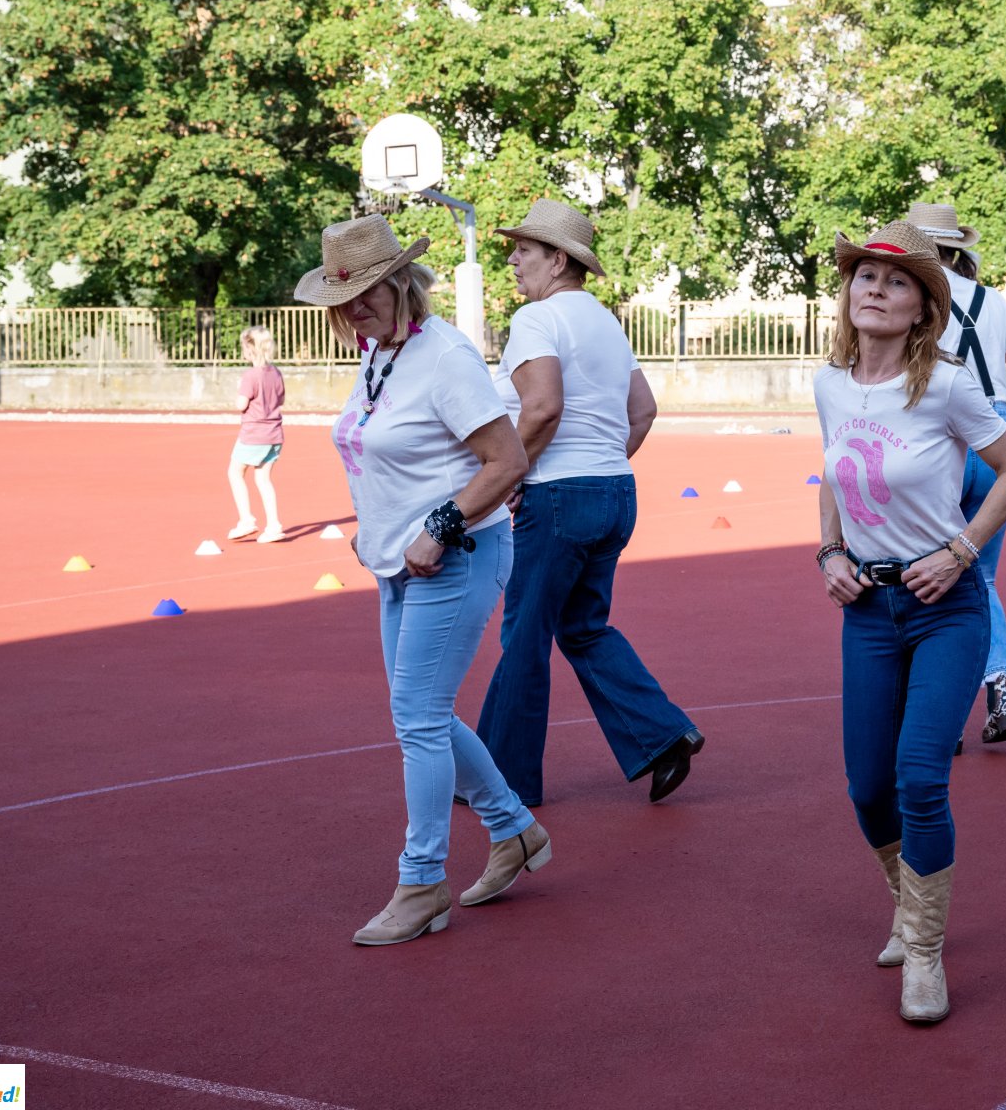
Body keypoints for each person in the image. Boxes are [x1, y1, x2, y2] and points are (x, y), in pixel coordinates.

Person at [297, 215, 546, 947]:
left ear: (405, 283)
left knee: (418, 720)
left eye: (369, 291)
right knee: (425, 717)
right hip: (398, 563)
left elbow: (506, 462)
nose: (354, 309)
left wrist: (436, 529)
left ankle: (422, 879)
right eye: (342, 299)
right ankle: (516, 831)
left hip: (457, 557)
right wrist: (375, 529)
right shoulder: (380, 358)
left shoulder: (445, 358)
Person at [814, 219, 1006, 1023]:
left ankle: (928, 954)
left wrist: (963, 551)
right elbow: (833, 471)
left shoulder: (944, 384)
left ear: (921, 309)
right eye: (864, 276)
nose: (874, 288)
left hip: (945, 607)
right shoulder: (830, 382)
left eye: (896, 281)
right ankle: (906, 909)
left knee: (918, 776)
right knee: (867, 787)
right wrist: (829, 553)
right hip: (867, 609)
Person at [476, 199, 704, 807]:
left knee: (525, 636)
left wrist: (510, 474)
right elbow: (644, 410)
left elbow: (543, 407)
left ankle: (503, 780)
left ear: (557, 259)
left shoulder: (537, 319)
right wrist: (602, 466)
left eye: (524, 249)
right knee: (582, 626)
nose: (514, 260)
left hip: (559, 495)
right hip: (613, 489)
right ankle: (662, 735)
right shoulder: (605, 320)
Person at [906, 202, 1006, 746]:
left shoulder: (912, 296)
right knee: (980, 577)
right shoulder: (992, 301)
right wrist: (1001, 430)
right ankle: (999, 685)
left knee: (926, 575)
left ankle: (943, 713)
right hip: (993, 434)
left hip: (934, 435)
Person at [227, 325, 287, 543]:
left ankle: (246, 519)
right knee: (263, 478)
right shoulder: (276, 373)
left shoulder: (250, 376)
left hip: (254, 434)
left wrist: (239, 391)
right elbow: (280, 400)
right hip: (275, 435)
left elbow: (241, 405)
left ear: (250, 349)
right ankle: (273, 525)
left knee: (235, 473)